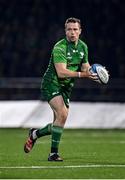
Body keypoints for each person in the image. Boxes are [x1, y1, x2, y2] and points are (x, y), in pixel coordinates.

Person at [24, 17, 98, 161]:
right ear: (65, 31)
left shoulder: (83, 47)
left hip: (66, 87)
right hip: (51, 83)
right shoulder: (60, 47)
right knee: (62, 114)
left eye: (75, 29)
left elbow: (85, 66)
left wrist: (95, 73)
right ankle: (53, 154)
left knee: (59, 121)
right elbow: (61, 72)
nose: (72, 32)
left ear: (80, 31)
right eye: (69, 29)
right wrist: (84, 75)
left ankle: (35, 134)